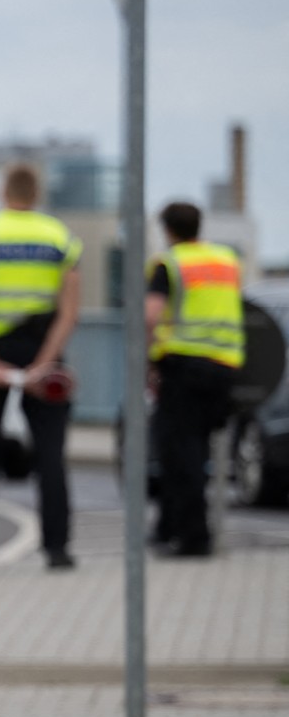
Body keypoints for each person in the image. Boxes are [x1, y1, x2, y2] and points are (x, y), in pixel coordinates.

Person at [0, 163, 83, 573]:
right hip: (42, 346)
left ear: (4, 191)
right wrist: (44, 365)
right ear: (37, 192)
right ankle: (57, 549)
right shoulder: (61, 238)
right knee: (50, 456)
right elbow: (70, 311)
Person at [146, 201, 245, 558]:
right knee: (198, 450)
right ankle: (168, 526)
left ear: (168, 229)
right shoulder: (227, 261)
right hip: (226, 366)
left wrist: (149, 360)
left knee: (179, 454)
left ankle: (193, 538)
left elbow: (151, 315)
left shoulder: (170, 263)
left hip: (184, 367)